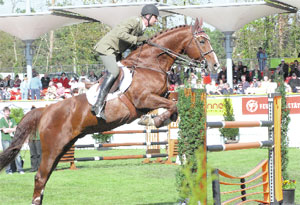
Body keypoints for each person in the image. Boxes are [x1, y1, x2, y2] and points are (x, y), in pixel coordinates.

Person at [92, 4, 159, 118]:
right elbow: (120, 34)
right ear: (148, 16)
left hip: (116, 52)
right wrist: (137, 40)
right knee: (114, 71)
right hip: (106, 49)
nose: (156, 20)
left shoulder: (140, 29)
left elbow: (131, 44)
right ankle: (97, 105)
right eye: (155, 17)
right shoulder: (133, 21)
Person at [0, 107, 24, 174]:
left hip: (13, 139)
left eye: (8, 112)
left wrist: (10, 129)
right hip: (5, 139)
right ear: (4, 112)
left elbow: (16, 128)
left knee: (17, 154)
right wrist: (12, 129)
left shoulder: (12, 119)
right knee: (7, 155)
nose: (7, 113)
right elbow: (4, 131)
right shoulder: (1, 120)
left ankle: (20, 169)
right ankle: (8, 170)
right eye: (6, 112)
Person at [28, 106, 41, 172]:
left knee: (39, 154)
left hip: (38, 138)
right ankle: (33, 168)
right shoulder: (29, 120)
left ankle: (39, 167)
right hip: (31, 139)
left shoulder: (39, 119)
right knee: (32, 154)